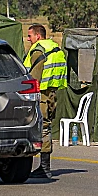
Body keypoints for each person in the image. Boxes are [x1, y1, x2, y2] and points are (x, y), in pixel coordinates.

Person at [23, 23, 67, 179]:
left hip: (40, 95)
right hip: (51, 94)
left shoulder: (38, 50)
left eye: (30, 36)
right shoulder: (55, 48)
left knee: (40, 127)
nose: (28, 39)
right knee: (46, 126)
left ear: (38, 36)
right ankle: (44, 166)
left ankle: (44, 167)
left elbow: (33, 77)